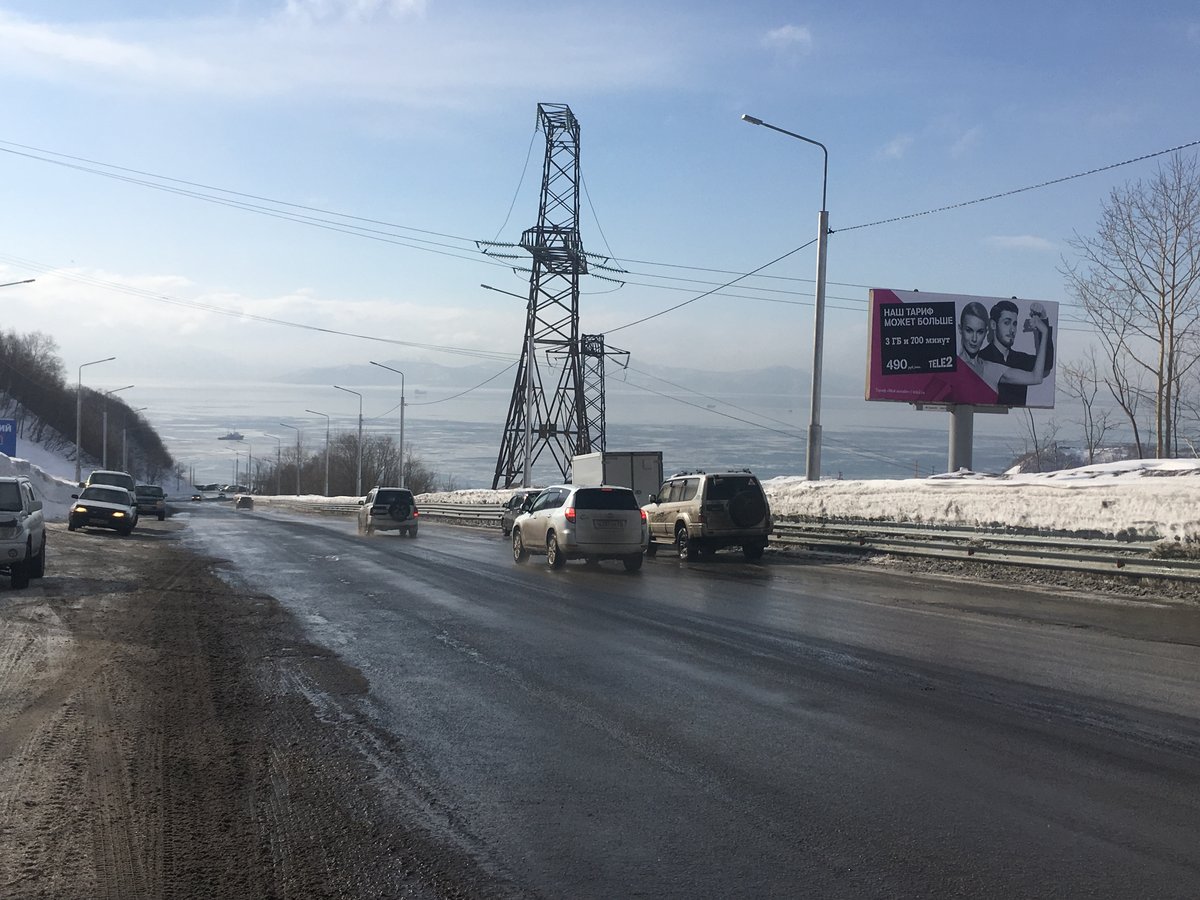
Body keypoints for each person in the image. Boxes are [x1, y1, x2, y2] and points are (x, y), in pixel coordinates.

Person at [957, 301, 1049, 400]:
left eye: (980, 332)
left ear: (985, 332)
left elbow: (1039, 374)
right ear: (960, 329)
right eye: (969, 330)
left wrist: (1044, 330)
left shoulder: (990, 367)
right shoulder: (950, 365)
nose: (974, 339)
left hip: (1008, 413)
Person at [979, 299, 1055, 405]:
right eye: (1006, 323)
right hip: (984, 417)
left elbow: (1046, 364)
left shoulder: (1020, 359)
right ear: (993, 324)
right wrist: (1045, 331)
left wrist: (1043, 320)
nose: (1012, 329)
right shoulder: (981, 359)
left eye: (1014, 324)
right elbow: (1036, 377)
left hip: (1018, 417)